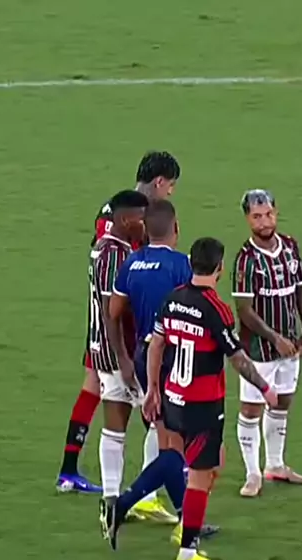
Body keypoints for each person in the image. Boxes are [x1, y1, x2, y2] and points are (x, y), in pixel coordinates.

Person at [103, 237, 277, 560]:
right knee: (201, 475)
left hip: (173, 396)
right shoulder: (216, 309)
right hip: (203, 404)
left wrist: (153, 389)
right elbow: (237, 358)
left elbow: (156, 345)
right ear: (220, 268)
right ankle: (187, 550)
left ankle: (122, 505)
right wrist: (265, 387)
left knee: (177, 457)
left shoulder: (172, 299)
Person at [56, 151, 180, 493]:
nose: (170, 192)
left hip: (105, 319)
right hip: (119, 322)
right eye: (170, 185)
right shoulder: (132, 219)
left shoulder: (115, 208)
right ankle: (155, 481)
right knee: (145, 398)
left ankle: (71, 469)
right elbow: (117, 270)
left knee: (96, 385)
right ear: (160, 181)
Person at [104, 202, 219, 542]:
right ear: (176, 228)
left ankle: (185, 519)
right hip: (175, 358)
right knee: (175, 449)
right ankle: (125, 505)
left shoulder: (131, 263)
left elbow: (114, 311)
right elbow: (197, 308)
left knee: (168, 440)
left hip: (144, 356)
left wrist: (125, 357)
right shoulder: (182, 265)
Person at [231, 189, 302, 498]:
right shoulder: (246, 260)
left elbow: (301, 290)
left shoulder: (290, 246)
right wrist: (274, 338)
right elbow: (244, 310)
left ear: (276, 212)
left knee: (282, 403)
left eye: (268, 214)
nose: (264, 222)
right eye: (257, 217)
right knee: (251, 408)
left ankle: (275, 465)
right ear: (247, 219)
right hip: (258, 350)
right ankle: (252, 473)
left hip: (291, 344)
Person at [85, 190, 148, 506]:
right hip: (119, 352)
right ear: (125, 220)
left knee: (116, 425)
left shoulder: (107, 248)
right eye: (141, 219)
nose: (145, 225)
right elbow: (112, 311)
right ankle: (144, 497)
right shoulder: (115, 255)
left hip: (107, 349)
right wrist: (124, 358)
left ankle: (111, 499)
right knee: (160, 422)